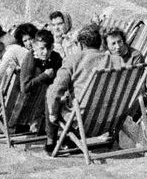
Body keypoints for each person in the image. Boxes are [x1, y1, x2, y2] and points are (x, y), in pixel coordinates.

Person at [44, 25, 109, 154]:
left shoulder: (73, 59)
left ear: (81, 45)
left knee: (50, 91)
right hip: (109, 116)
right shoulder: (112, 60)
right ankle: (71, 139)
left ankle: (51, 141)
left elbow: (56, 90)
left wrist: (52, 114)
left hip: (81, 117)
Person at [15, 28, 62, 133]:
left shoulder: (56, 57)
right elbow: (24, 88)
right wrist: (44, 76)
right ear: (35, 46)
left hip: (48, 103)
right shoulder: (31, 58)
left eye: (48, 48)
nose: (45, 52)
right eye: (41, 48)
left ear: (52, 47)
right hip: (30, 106)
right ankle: (52, 138)